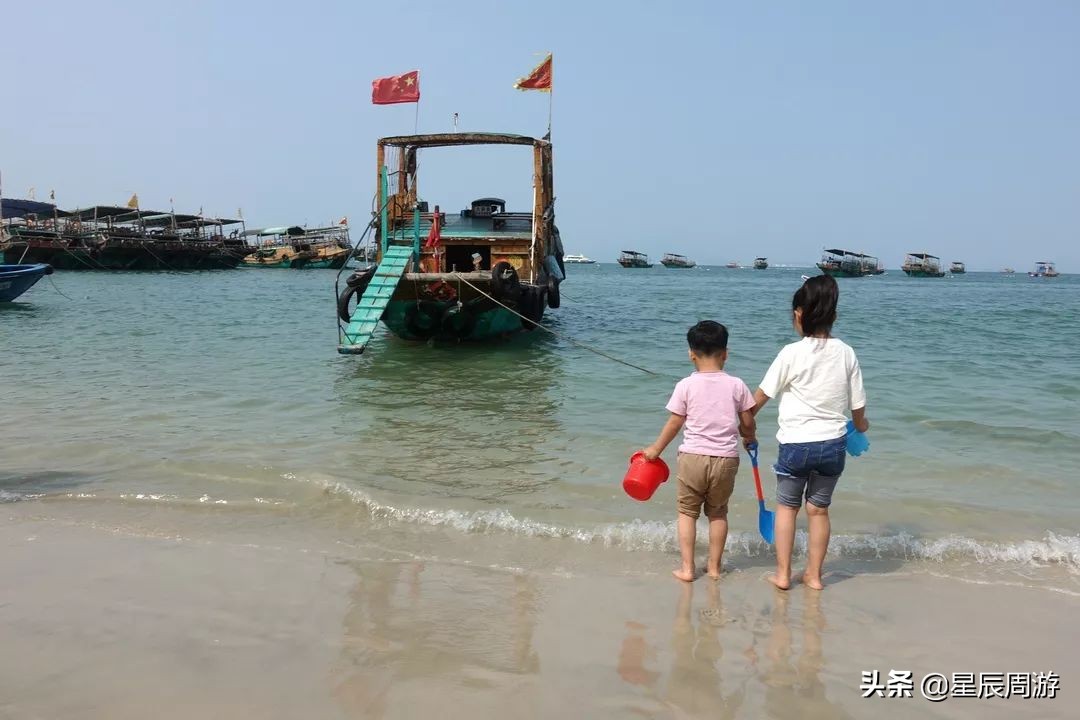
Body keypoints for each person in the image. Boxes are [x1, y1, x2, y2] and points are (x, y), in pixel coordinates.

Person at [751, 275, 869, 591]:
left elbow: (760, 397)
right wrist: (861, 427)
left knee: (788, 508)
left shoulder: (791, 353)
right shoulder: (846, 353)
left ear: (799, 314)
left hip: (796, 445)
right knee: (818, 510)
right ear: (834, 315)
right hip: (833, 445)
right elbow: (858, 408)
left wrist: (744, 421)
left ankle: (783, 575)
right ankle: (815, 576)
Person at [643, 321, 757, 582]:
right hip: (726, 459)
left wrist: (655, 449)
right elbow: (748, 420)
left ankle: (687, 568)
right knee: (718, 513)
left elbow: (675, 422)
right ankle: (715, 568)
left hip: (692, 457)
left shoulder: (685, 385)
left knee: (687, 513)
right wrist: (749, 437)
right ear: (725, 353)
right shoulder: (737, 385)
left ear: (691, 353)